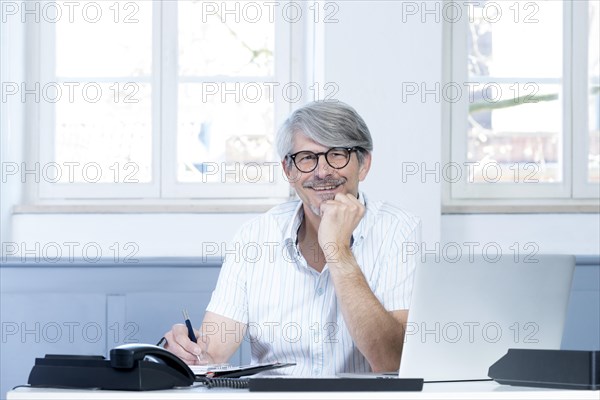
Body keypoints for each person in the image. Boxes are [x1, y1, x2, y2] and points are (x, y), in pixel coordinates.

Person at [163, 101, 421, 375]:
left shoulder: (398, 231)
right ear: (289, 170)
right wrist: (185, 352)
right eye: (307, 157)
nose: (322, 171)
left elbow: (393, 361)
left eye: (337, 154)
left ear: (363, 164)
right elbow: (211, 353)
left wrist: (338, 250)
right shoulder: (255, 236)